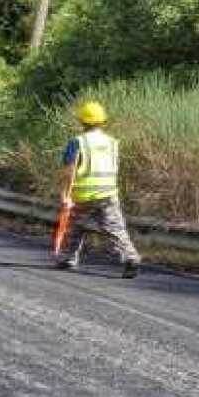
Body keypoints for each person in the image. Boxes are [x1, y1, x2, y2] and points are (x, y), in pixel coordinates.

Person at [54, 101, 142, 278]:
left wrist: (65, 194)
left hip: (83, 195)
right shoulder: (112, 142)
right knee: (116, 229)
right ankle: (130, 257)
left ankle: (68, 258)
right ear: (103, 121)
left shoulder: (77, 142)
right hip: (108, 193)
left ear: (82, 121)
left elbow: (70, 171)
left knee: (74, 227)